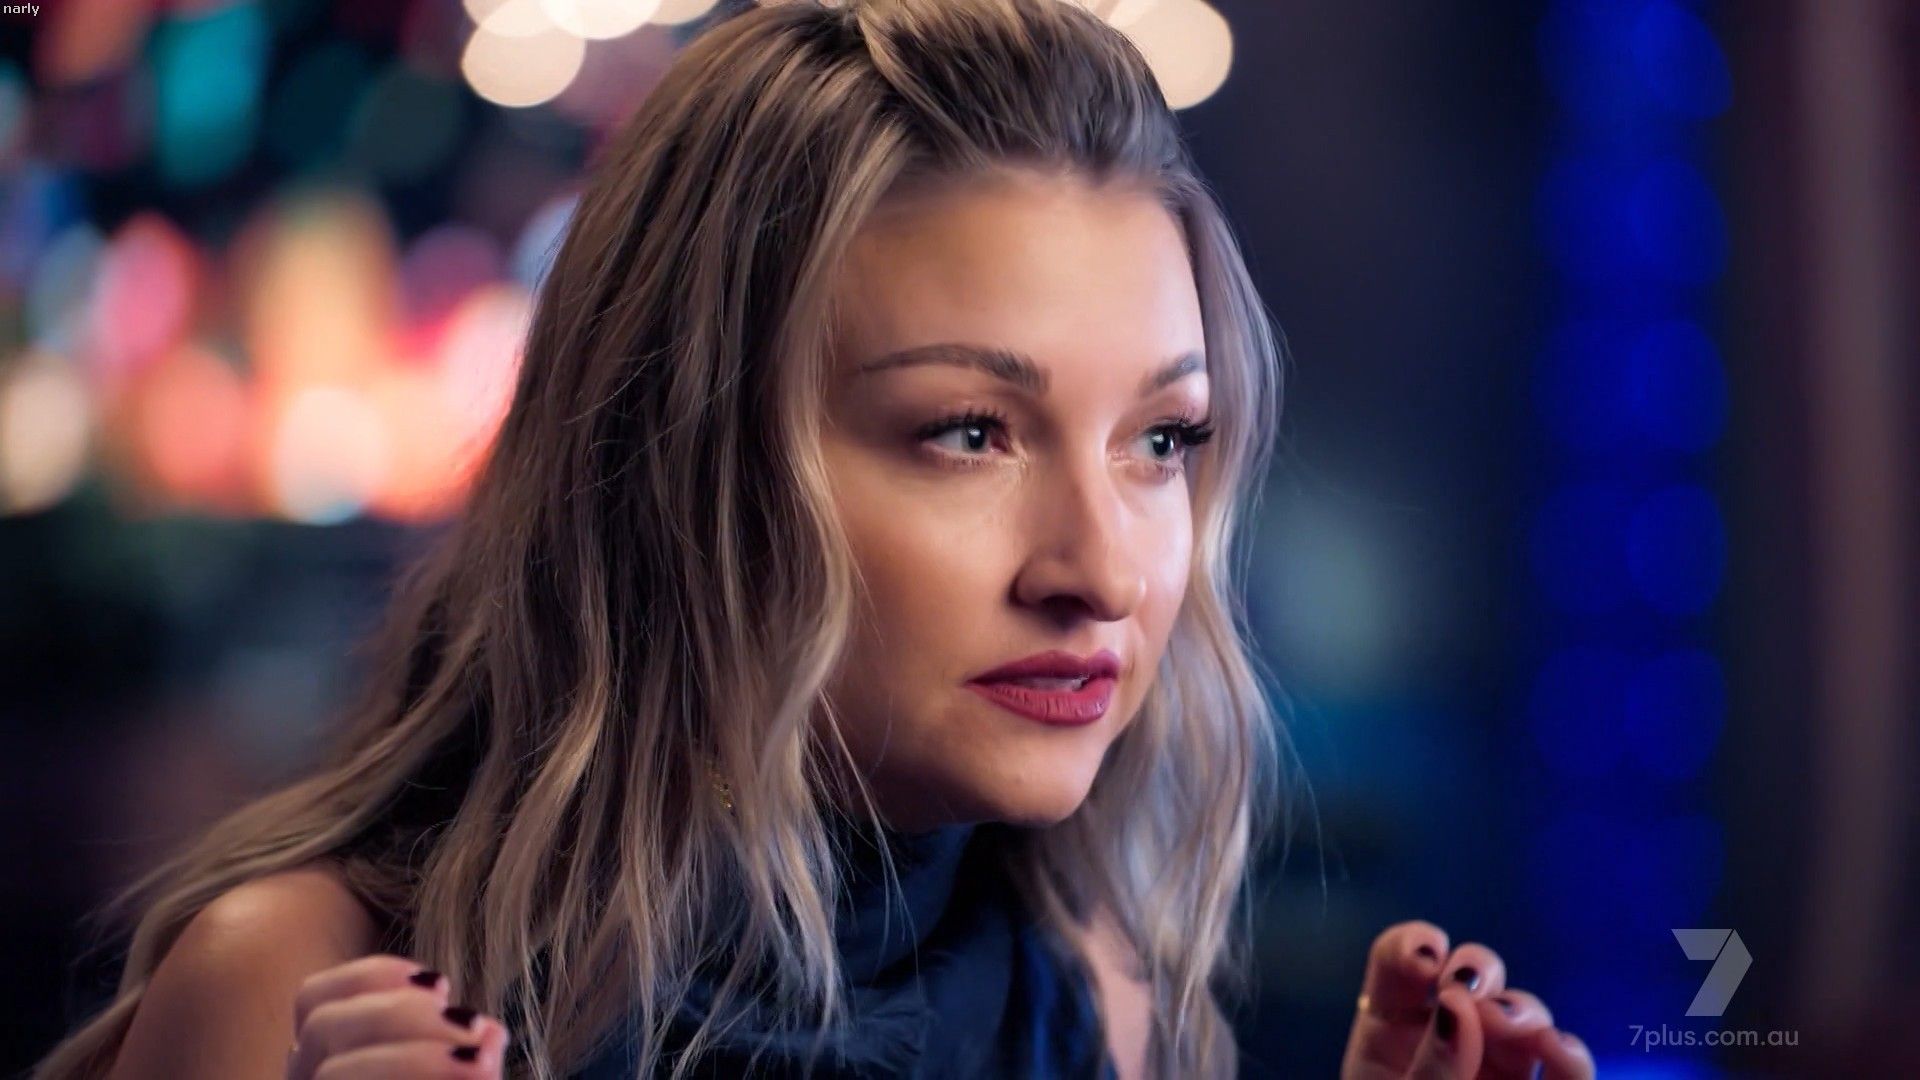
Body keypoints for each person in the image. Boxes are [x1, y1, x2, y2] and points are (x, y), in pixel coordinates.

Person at [34, 1, 1596, 1077]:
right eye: (969, 432)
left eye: (1162, 442)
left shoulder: (1092, 997)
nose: (1105, 571)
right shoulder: (296, 989)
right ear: (684, 466)